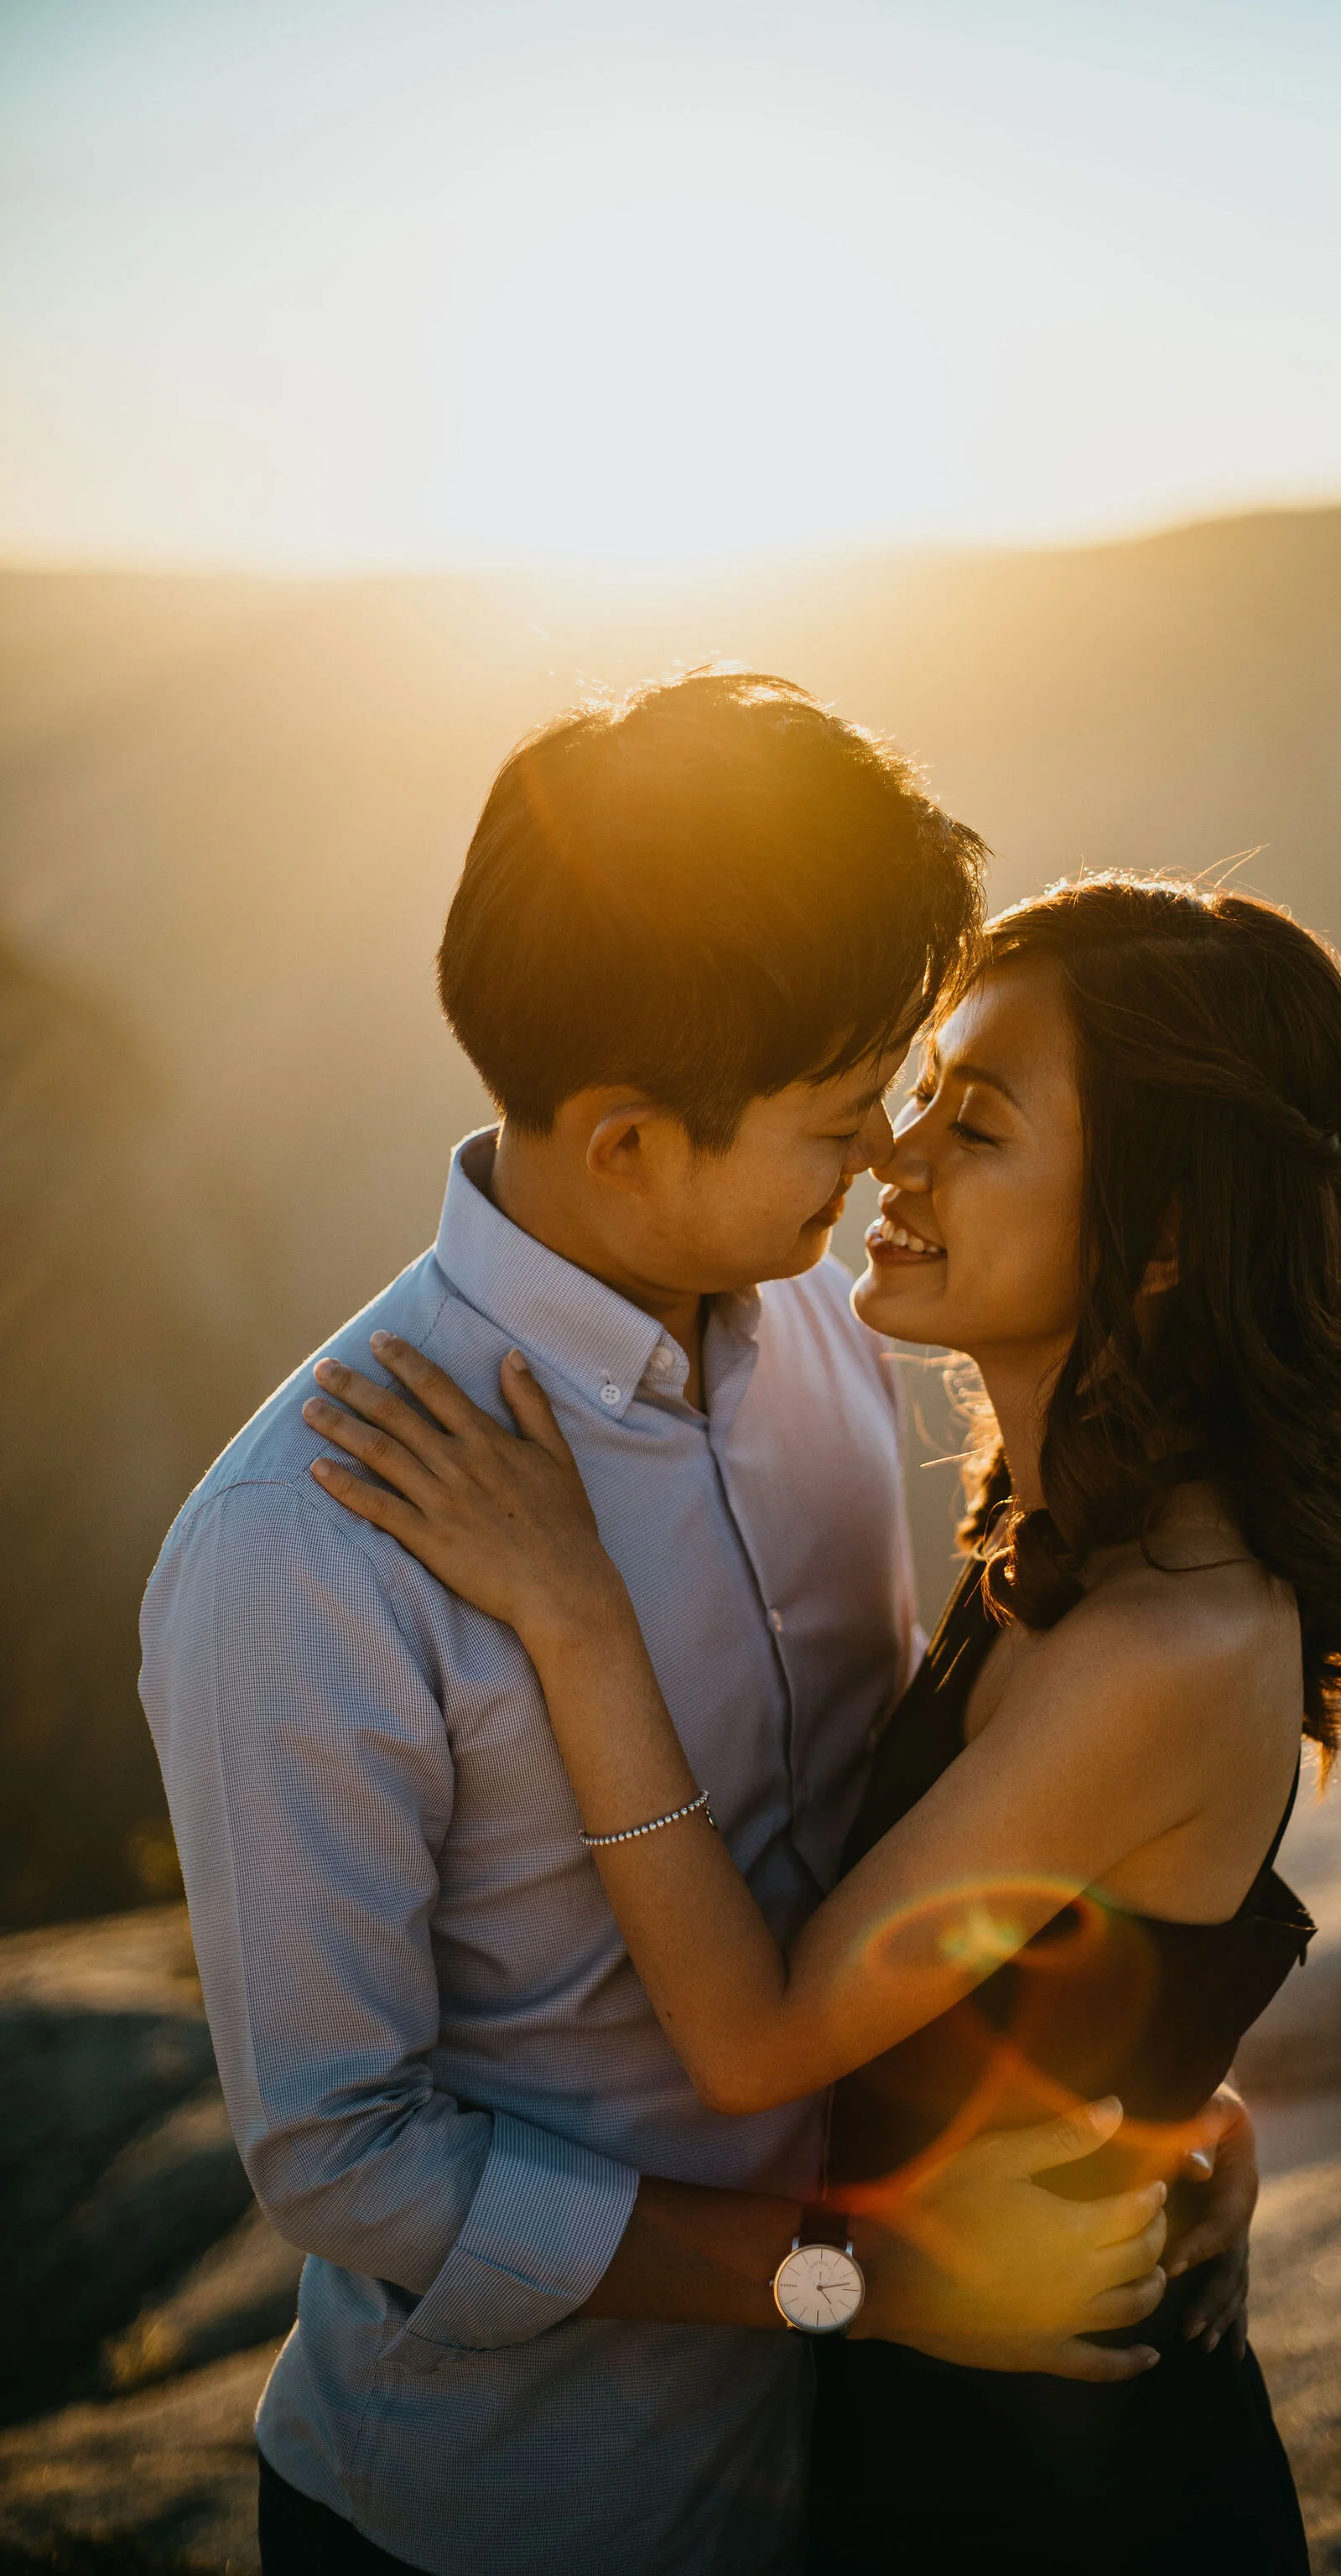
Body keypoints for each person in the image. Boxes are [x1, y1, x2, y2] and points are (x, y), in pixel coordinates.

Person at [141, 676, 1258, 2576]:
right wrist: (850, 2283)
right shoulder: (307, 1548)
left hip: (861, 2467)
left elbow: (894, 1852)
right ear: (628, 1141)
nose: (888, 1166)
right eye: (841, 1121)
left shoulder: (831, 1328)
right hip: (517, 2515)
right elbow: (338, 2156)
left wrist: (1145, 2110)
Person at [307, 870, 1341, 2574]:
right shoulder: (1081, 1533)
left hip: (1049, 2481)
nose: (888, 1162)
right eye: (915, 1099)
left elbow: (760, 2044)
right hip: (952, 2392)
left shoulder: (1160, 1634)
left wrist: (575, 1616)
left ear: (1170, 1233)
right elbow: (1085, 1940)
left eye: (972, 1127)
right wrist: (1169, 2098)